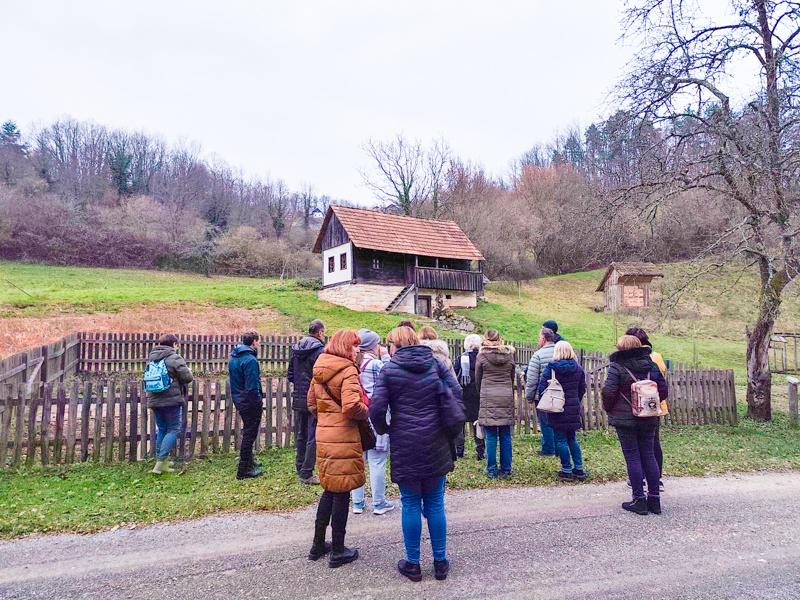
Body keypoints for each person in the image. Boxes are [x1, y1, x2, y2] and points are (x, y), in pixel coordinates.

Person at [370, 326, 465, 582]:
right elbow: (456, 395)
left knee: (410, 503)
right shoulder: (436, 364)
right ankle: (440, 562)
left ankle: (412, 563)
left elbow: (376, 409)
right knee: (435, 503)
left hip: (405, 441)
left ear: (395, 345)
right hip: (436, 440)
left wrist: (385, 429)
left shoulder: (389, 369)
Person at [307, 329, 368, 568]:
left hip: (324, 433)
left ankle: (317, 544)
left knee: (330, 489)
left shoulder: (319, 369)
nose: (357, 350)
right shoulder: (348, 370)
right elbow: (352, 406)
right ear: (345, 347)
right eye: (354, 345)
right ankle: (339, 550)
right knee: (342, 491)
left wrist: (326, 419)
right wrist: (366, 410)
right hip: (343, 436)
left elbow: (311, 404)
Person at [602, 335, 668, 516]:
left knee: (633, 457)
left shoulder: (617, 366)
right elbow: (663, 391)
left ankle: (639, 499)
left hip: (625, 419)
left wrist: (611, 409)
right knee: (649, 455)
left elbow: (608, 392)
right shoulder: (651, 365)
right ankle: (654, 499)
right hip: (649, 417)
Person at [350, 328, 395, 516]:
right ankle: (378, 503)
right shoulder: (376, 364)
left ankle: (357, 503)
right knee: (377, 460)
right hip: (377, 415)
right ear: (372, 346)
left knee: (359, 460)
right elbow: (391, 378)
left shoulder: (353, 363)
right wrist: (386, 357)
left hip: (359, 416)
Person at [537, 341, 587, 481]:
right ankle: (579, 469)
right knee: (572, 438)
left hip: (557, 407)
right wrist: (574, 399)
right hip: (573, 406)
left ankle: (566, 470)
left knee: (560, 439)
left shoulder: (552, 368)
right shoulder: (578, 369)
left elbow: (542, 388)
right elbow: (582, 389)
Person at [626, 326, 668, 491]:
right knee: (654, 444)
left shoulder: (631, 359)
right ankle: (657, 479)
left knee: (637, 446)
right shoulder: (656, 356)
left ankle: (640, 478)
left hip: (636, 407)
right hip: (654, 406)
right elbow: (662, 378)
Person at [145, 334, 193, 474]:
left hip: (155, 399)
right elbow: (187, 377)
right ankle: (159, 464)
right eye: (177, 344)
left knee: (162, 429)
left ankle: (162, 462)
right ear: (173, 344)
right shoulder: (174, 358)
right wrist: (189, 371)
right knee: (173, 429)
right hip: (171, 400)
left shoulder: (152, 358)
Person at [288, 319, 325, 485]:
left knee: (301, 434)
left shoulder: (296, 349)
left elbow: (290, 374)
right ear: (320, 332)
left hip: (299, 396)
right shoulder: (319, 351)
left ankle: (300, 466)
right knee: (313, 435)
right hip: (314, 398)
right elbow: (321, 376)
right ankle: (307, 472)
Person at [476, 329, 516, 478]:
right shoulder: (509, 355)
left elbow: (478, 379)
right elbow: (512, 377)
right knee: (505, 434)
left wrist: (482, 392)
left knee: (491, 435)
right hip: (505, 395)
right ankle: (506, 468)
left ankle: (491, 469)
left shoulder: (482, 356)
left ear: (485, 338)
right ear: (499, 338)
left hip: (488, 397)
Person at [228, 331, 264, 480]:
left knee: (248, 432)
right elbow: (251, 387)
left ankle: (250, 462)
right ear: (254, 342)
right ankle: (243, 470)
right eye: (258, 341)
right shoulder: (250, 360)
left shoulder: (234, 357)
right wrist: (258, 403)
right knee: (250, 434)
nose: (259, 344)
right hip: (249, 402)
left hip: (239, 399)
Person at [525, 328, 557, 456]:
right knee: (559, 422)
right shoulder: (562, 352)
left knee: (546, 422)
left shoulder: (538, 355)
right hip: (561, 395)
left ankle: (549, 448)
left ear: (543, 339)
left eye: (539, 337)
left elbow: (532, 379)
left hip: (544, 395)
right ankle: (560, 446)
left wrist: (529, 396)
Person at [454, 333, 484, 460]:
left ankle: (459, 450)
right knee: (478, 422)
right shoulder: (482, 358)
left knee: (460, 423)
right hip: (478, 394)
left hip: (463, 394)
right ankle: (480, 451)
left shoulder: (460, 358)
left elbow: (454, 375)